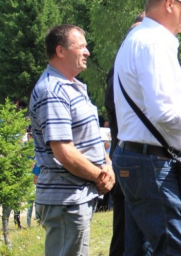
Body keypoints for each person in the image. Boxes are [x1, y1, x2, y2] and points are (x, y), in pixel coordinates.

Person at [113, 0, 181, 255]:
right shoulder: (154, 43)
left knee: (139, 249)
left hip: (138, 158)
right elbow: (162, 110)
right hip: (151, 164)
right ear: (170, 3)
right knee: (173, 250)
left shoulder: (138, 38)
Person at [29, 24, 115, 256]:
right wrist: (101, 176)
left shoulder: (72, 87)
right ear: (60, 51)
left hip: (75, 197)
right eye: (81, 46)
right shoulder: (52, 91)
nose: (87, 52)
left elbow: (89, 139)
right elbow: (64, 152)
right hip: (66, 200)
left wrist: (106, 163)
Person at [104, 11, 145, 256]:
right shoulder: (119, 72)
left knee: (133, 234)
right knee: (124, 234)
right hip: (126, 157)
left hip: (129, 159)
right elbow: (116, 109)